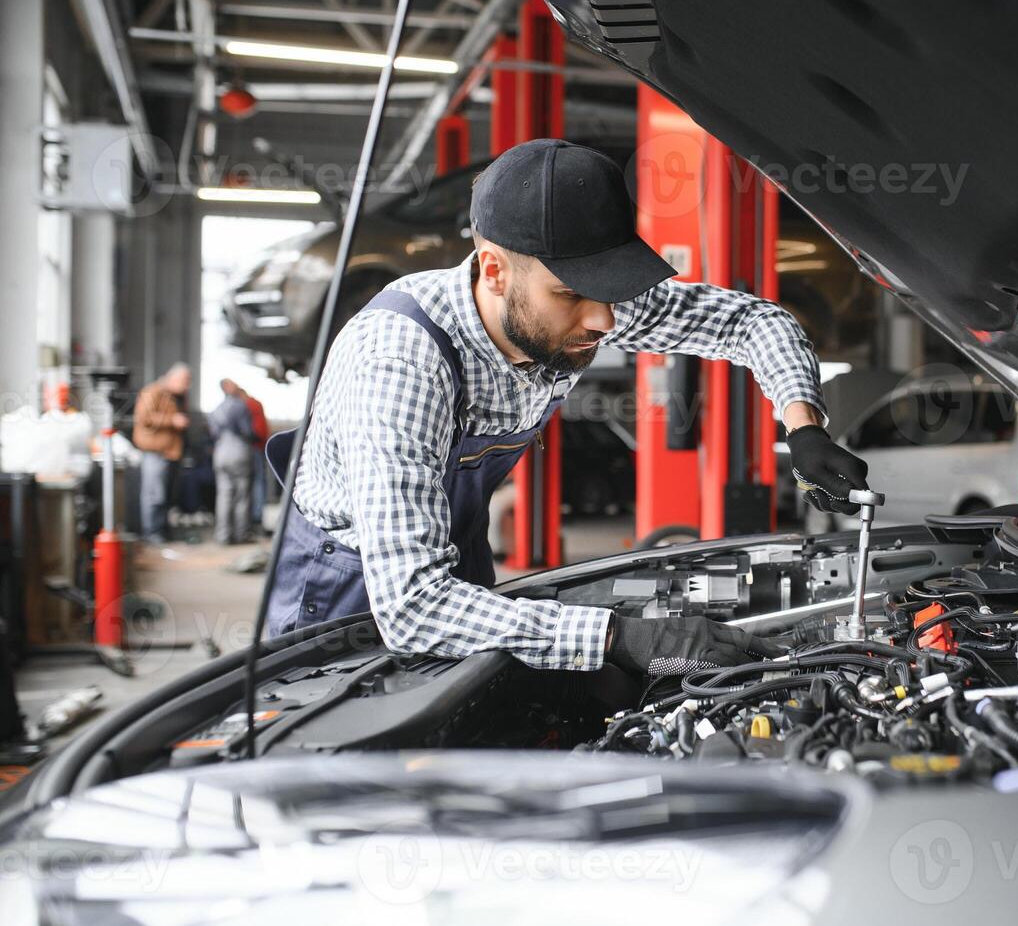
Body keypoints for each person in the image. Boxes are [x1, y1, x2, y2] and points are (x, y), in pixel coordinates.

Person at [266, 139, 869, 678]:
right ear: (495, 271)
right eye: (572, 295)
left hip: (454, 556)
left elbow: (752, 321)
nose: (602, 321)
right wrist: (613, 635)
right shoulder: (399, 362)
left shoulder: (579, 299)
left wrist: (803, 425)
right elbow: (413, 606)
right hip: (346, 587)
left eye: (608, 288)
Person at [132, 363, 191, 544]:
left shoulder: (177, 396)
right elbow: (144, 417)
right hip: (155, 453)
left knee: (165, 495)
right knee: (153, 495)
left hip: (170, 453)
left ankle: (162, 531)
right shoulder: (152, 391)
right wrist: (172, 420)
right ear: (172, 378)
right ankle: (152, 533)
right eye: (185, 381)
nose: (187, 385)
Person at [209, 380, 257, 545]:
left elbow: (213, 435)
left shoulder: (215, 410)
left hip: (220, 452)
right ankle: (241, 534)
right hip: (238, 451)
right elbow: (247, 431)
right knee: (242, 495)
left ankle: (223, 536)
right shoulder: (240, 406)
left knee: (224, 495)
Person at [238, 385, 271, 532]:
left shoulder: (249, 405)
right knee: (256, 482)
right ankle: (255, 518)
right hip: (256, 447)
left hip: (254, 448)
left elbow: (256, 431)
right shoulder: (254, 404)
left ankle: (255, 518)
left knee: (254, 482)